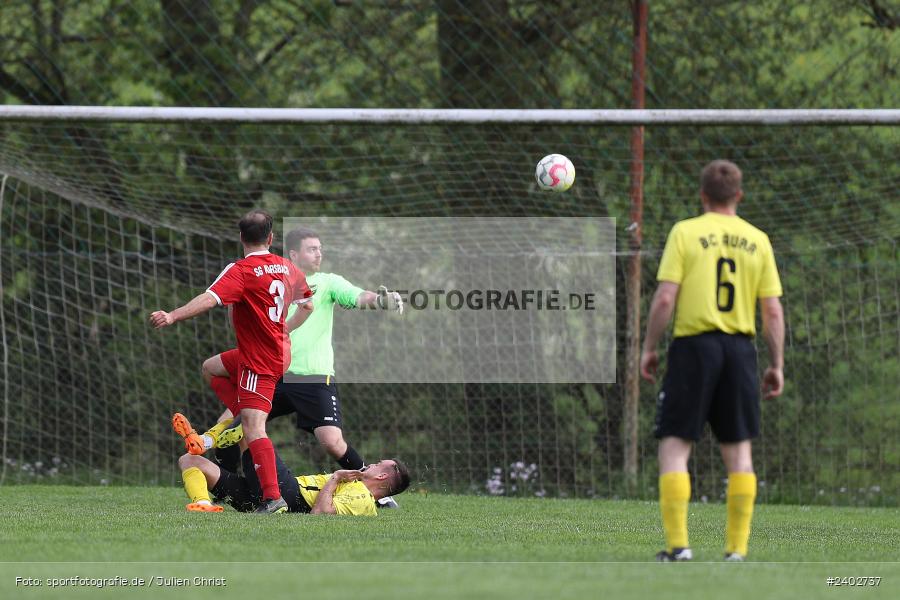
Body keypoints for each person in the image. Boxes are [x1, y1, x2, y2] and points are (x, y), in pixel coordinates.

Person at [183, 226, 404, 507]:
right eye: (312, 249)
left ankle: (374, 493)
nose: (319, 254)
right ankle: (230, 485)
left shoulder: (328, 282)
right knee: (230, 425)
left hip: (313, 376)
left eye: (320, 248)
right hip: (273, 371)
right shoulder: (274, 277)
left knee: (331, 441)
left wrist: (381, 299)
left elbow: (358, 295)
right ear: (294, 253)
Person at [639, 160, 784, 562]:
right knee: (739, 453)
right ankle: (736, 551)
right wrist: (777, 364)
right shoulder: (758, 240)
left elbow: (666, 297)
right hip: (740, 351)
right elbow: (771, 311)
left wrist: (648, 347)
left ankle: (679, 547)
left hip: (694, 348)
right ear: (738, 196)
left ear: (702, 195)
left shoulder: (686, 232)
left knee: (674, 445)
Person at [151, 210, 314, 514]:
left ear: (241, 237)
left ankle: (272, 498)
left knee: (254, 429)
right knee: (211, 368)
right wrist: (282, 330)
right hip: (280, 352)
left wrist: (172, 315)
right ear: (271, 238)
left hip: (259, 359)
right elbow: (308, 305)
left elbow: (209, 298)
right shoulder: (288, 266)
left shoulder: (241, 270)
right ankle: (230, 423)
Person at [175, 414, 411, 516]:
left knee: (253, 424)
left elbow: (320, 513)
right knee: (189, 460)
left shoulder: (362, 499)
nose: (370, 464)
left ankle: (205, 440)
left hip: (285, 495)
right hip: (266, 496)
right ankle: (203, 504)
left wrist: (336, 477)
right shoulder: (357, 486)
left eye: (378, 464)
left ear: (382, 477)